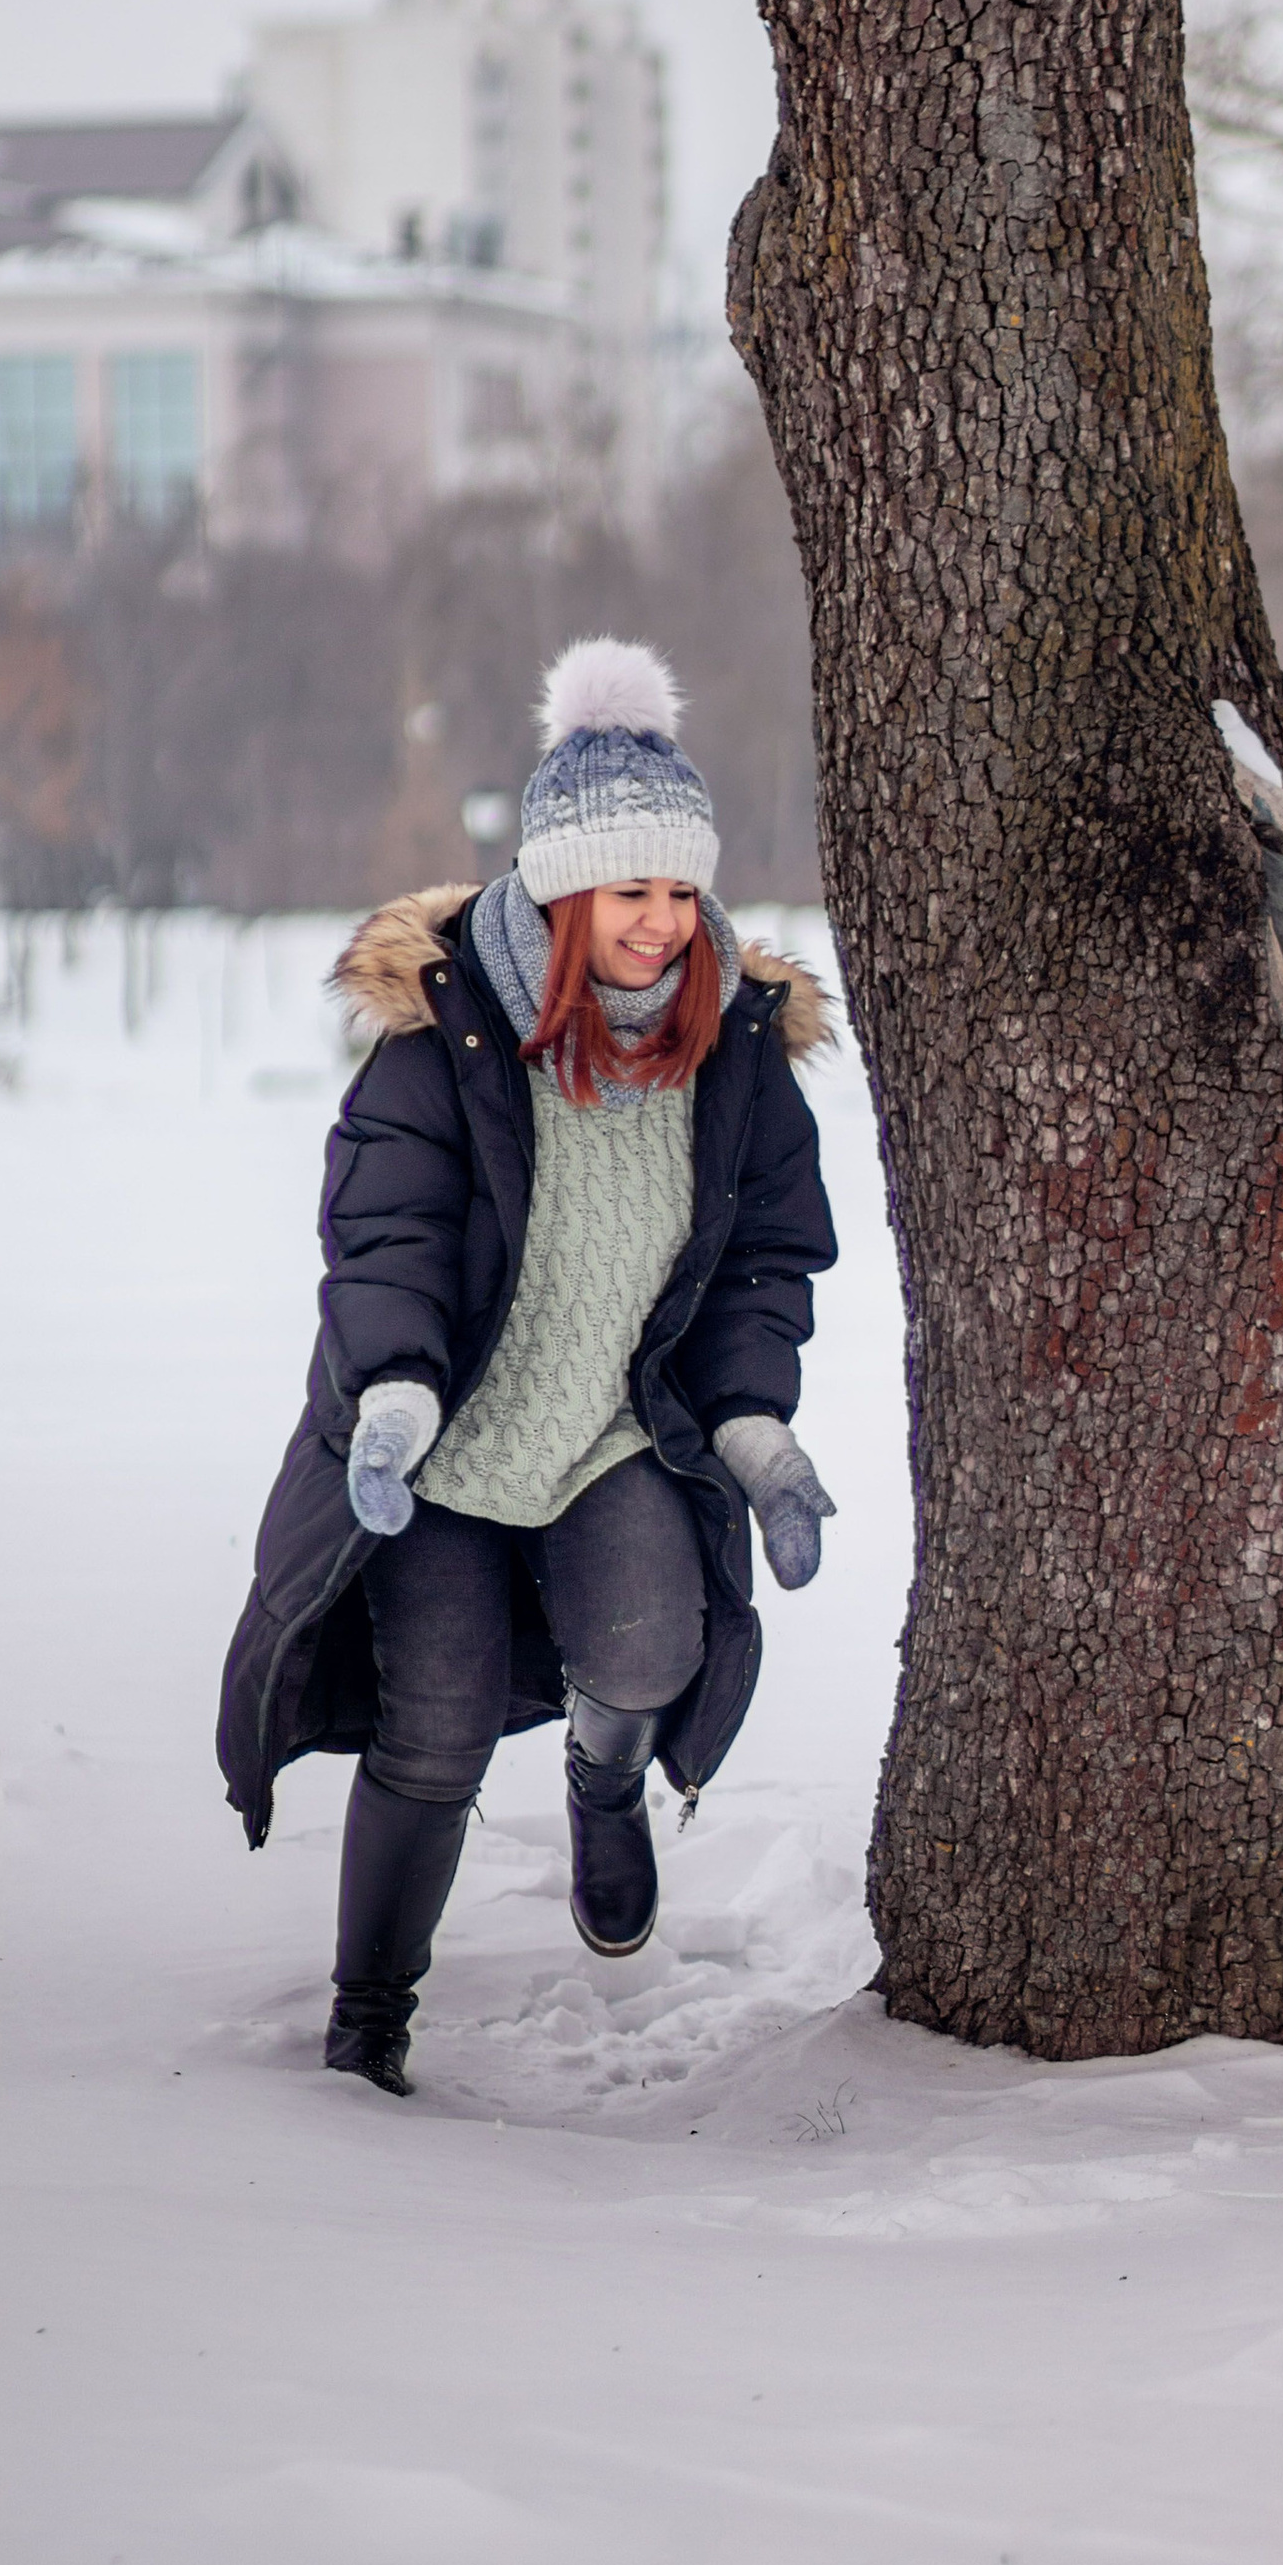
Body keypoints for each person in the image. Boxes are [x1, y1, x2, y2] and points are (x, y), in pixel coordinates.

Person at [218, 639, 841, 2098]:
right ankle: (371, 2015)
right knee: (431, 1731)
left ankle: (602, 1782)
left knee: (650, 1652)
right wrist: (393, 1398)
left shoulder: (732, 1052)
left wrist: (759, 1439)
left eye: (680, 892)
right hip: (436, 1448)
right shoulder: (445, 1048)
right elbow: (386, 1240)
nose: (662, 923)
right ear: (563, 892)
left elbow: (763, 1264)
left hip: (612, 1437)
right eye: (631, 892)